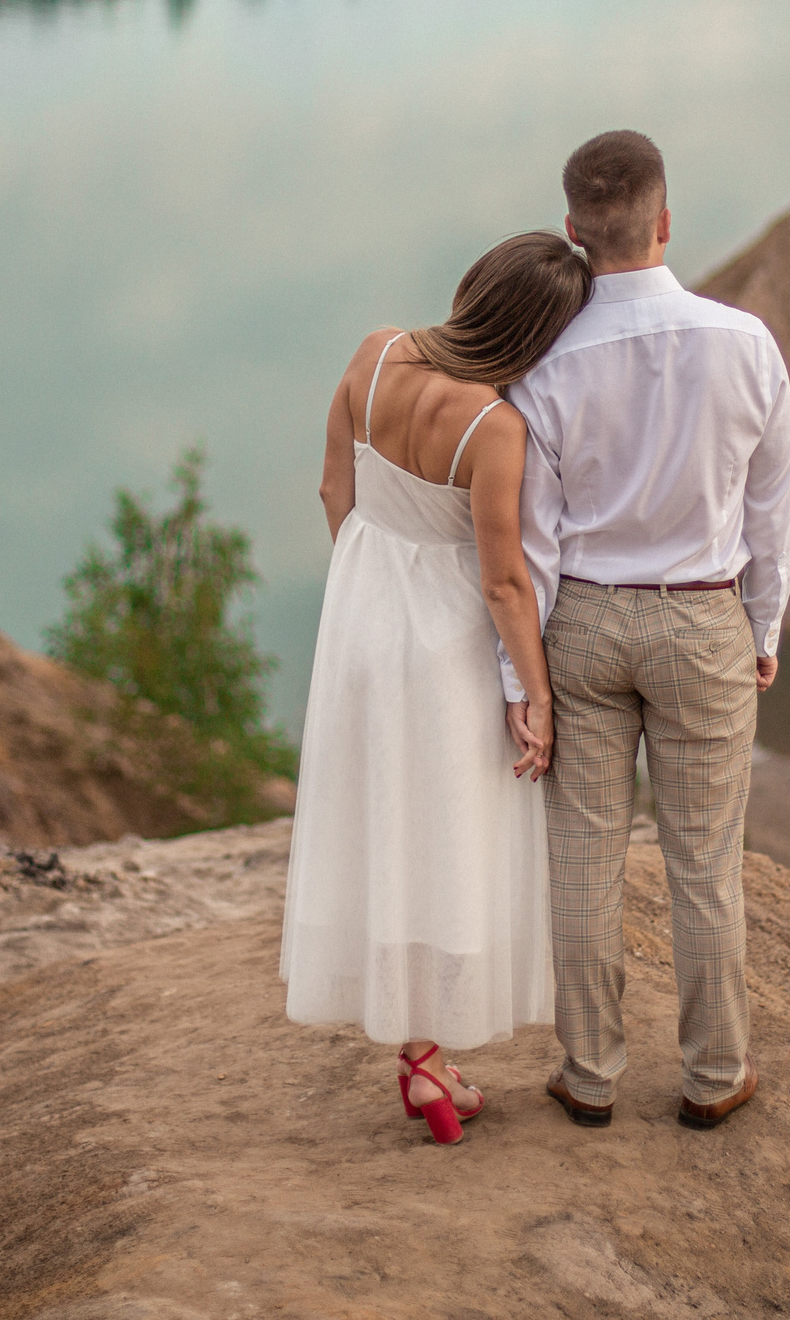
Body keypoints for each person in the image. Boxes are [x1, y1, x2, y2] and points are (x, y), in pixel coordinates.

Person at [503, 130, 790, 1132]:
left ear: (575, 233)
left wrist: (522, 681)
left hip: (581, 622)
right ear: (664, 222)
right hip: (702, 617)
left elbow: (530, 545)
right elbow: (771, 510)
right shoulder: (746, 343)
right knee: (703, 860)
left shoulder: (542, 368)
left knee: (583, 857)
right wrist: (765, 624)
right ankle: (714, 1075)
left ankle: (588, 1076)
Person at [279, 231, 593, 1145]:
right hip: (450, 644)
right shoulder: (497, 429)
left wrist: (366, 599)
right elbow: (504, 582)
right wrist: (535, 694)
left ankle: (423, 1057)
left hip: (365, 627)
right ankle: (428, 1056)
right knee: (452, 834)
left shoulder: (373, 353)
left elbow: (335, 492)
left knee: (386, 827)